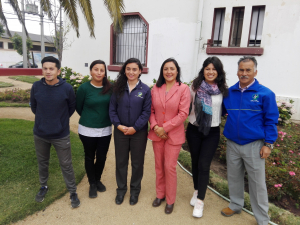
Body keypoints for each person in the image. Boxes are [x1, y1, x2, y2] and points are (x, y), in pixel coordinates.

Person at [221, 56, 279, 225]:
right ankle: (236, 204)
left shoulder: (265, 94)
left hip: (254, 145)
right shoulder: (229, 92)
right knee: (233, 177)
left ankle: (262, 219)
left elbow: (271, 120)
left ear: (255, 71)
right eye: (241, 70)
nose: (244, 73)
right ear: (237, 71)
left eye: (248, 70)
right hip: (233, 143)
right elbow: (223, 112)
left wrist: (268, 144)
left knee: (257, 184)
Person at [30, 56, 80, 208]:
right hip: (40, 134)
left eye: (51, 68)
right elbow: (34, 107)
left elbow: (71, 107)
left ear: (58, 70)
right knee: (42, 162)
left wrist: (60, 121)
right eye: (45, 68)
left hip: (60, 134)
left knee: (66, 164)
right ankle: (43, 186)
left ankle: (72, 191)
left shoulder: (67, 88)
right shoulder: (36, 87)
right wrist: (43, 120)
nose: (48, 71)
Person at [186, 56, 228, 218]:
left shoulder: (223, 90)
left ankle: (200, 201)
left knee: (204, 165)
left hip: (212, 132)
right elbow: (186, 106)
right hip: (194, 129)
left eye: (214, 69)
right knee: (195, 163)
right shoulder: (194, 87)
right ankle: (197, 190)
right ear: (203, 71)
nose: (210, 72)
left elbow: (227, 109)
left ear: (218, 72)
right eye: (207, 69)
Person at [148, 58, 190, 214]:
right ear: (162, 71)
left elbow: (183, 113)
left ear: (177, 71)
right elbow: (150, 111)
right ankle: (160, 195)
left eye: (172, 68)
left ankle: (170, 200)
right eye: (166, 69)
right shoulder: (156, 88)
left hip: (174, 136)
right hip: (157, 133)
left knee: (169, 167)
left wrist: (164, 128)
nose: (169, 72)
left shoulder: (183, 89)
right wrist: (155, 127)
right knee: (159, 166)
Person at [109, 58, 151, 206]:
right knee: (121, 162)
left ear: (140, 71)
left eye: (134, 69)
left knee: (137, 163)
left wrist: (135, 127)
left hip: (138, 133)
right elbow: (112, 110)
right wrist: (119, 125)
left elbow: (146, 112)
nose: (131, 72)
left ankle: (134, 191)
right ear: (124, 70)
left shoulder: (145, 90)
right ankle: (121, 190)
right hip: (120, 131)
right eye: (128, 69)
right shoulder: (117, 88)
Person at [76, 60, 112, 198]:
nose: (98, 72)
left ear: (104, 73)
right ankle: (92, 184)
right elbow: (79, 107)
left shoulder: (110, 88)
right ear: (91, 71)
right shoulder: (84, 88)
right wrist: (89, 118)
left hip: (105, 129)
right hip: (87, 129)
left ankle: (97, 180)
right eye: (96, 69)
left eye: (101, 70)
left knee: (102, 157)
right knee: (89, 156)